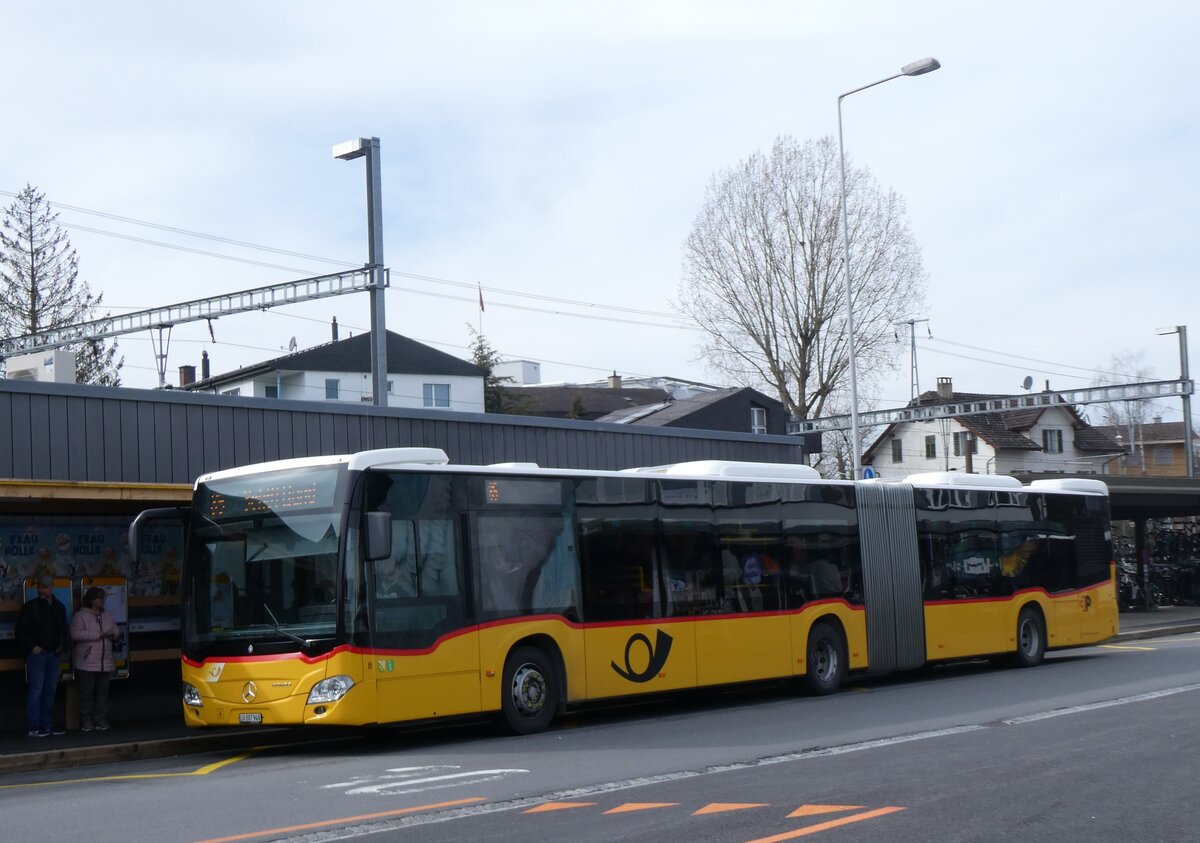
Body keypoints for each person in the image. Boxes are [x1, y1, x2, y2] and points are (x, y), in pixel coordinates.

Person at [15, 574, 69, 737]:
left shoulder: (58, 606)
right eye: (45, 586)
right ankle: (34, 725)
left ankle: (46, 724)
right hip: (39, 653)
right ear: (39, 588)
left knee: (49, 690)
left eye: (50, 586)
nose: (48, 589)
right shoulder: (31, 607)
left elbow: (63, 628)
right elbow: (20, 631)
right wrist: (33, 647)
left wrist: (61, 645)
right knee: (37, 689)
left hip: (53, 653)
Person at [71, 586, 118, 732]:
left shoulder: (107, 615)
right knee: (86, 692)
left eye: (103, 597)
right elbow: (75, 634)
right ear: (91, 600)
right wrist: (100, 634)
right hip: (87, 661)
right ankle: (86, 719)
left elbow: (116, 630)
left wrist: (112, 634)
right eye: (99, 598)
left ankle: (100, 718)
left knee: (102, 692)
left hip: (105, 661)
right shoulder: (80, 616)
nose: (102, 600)